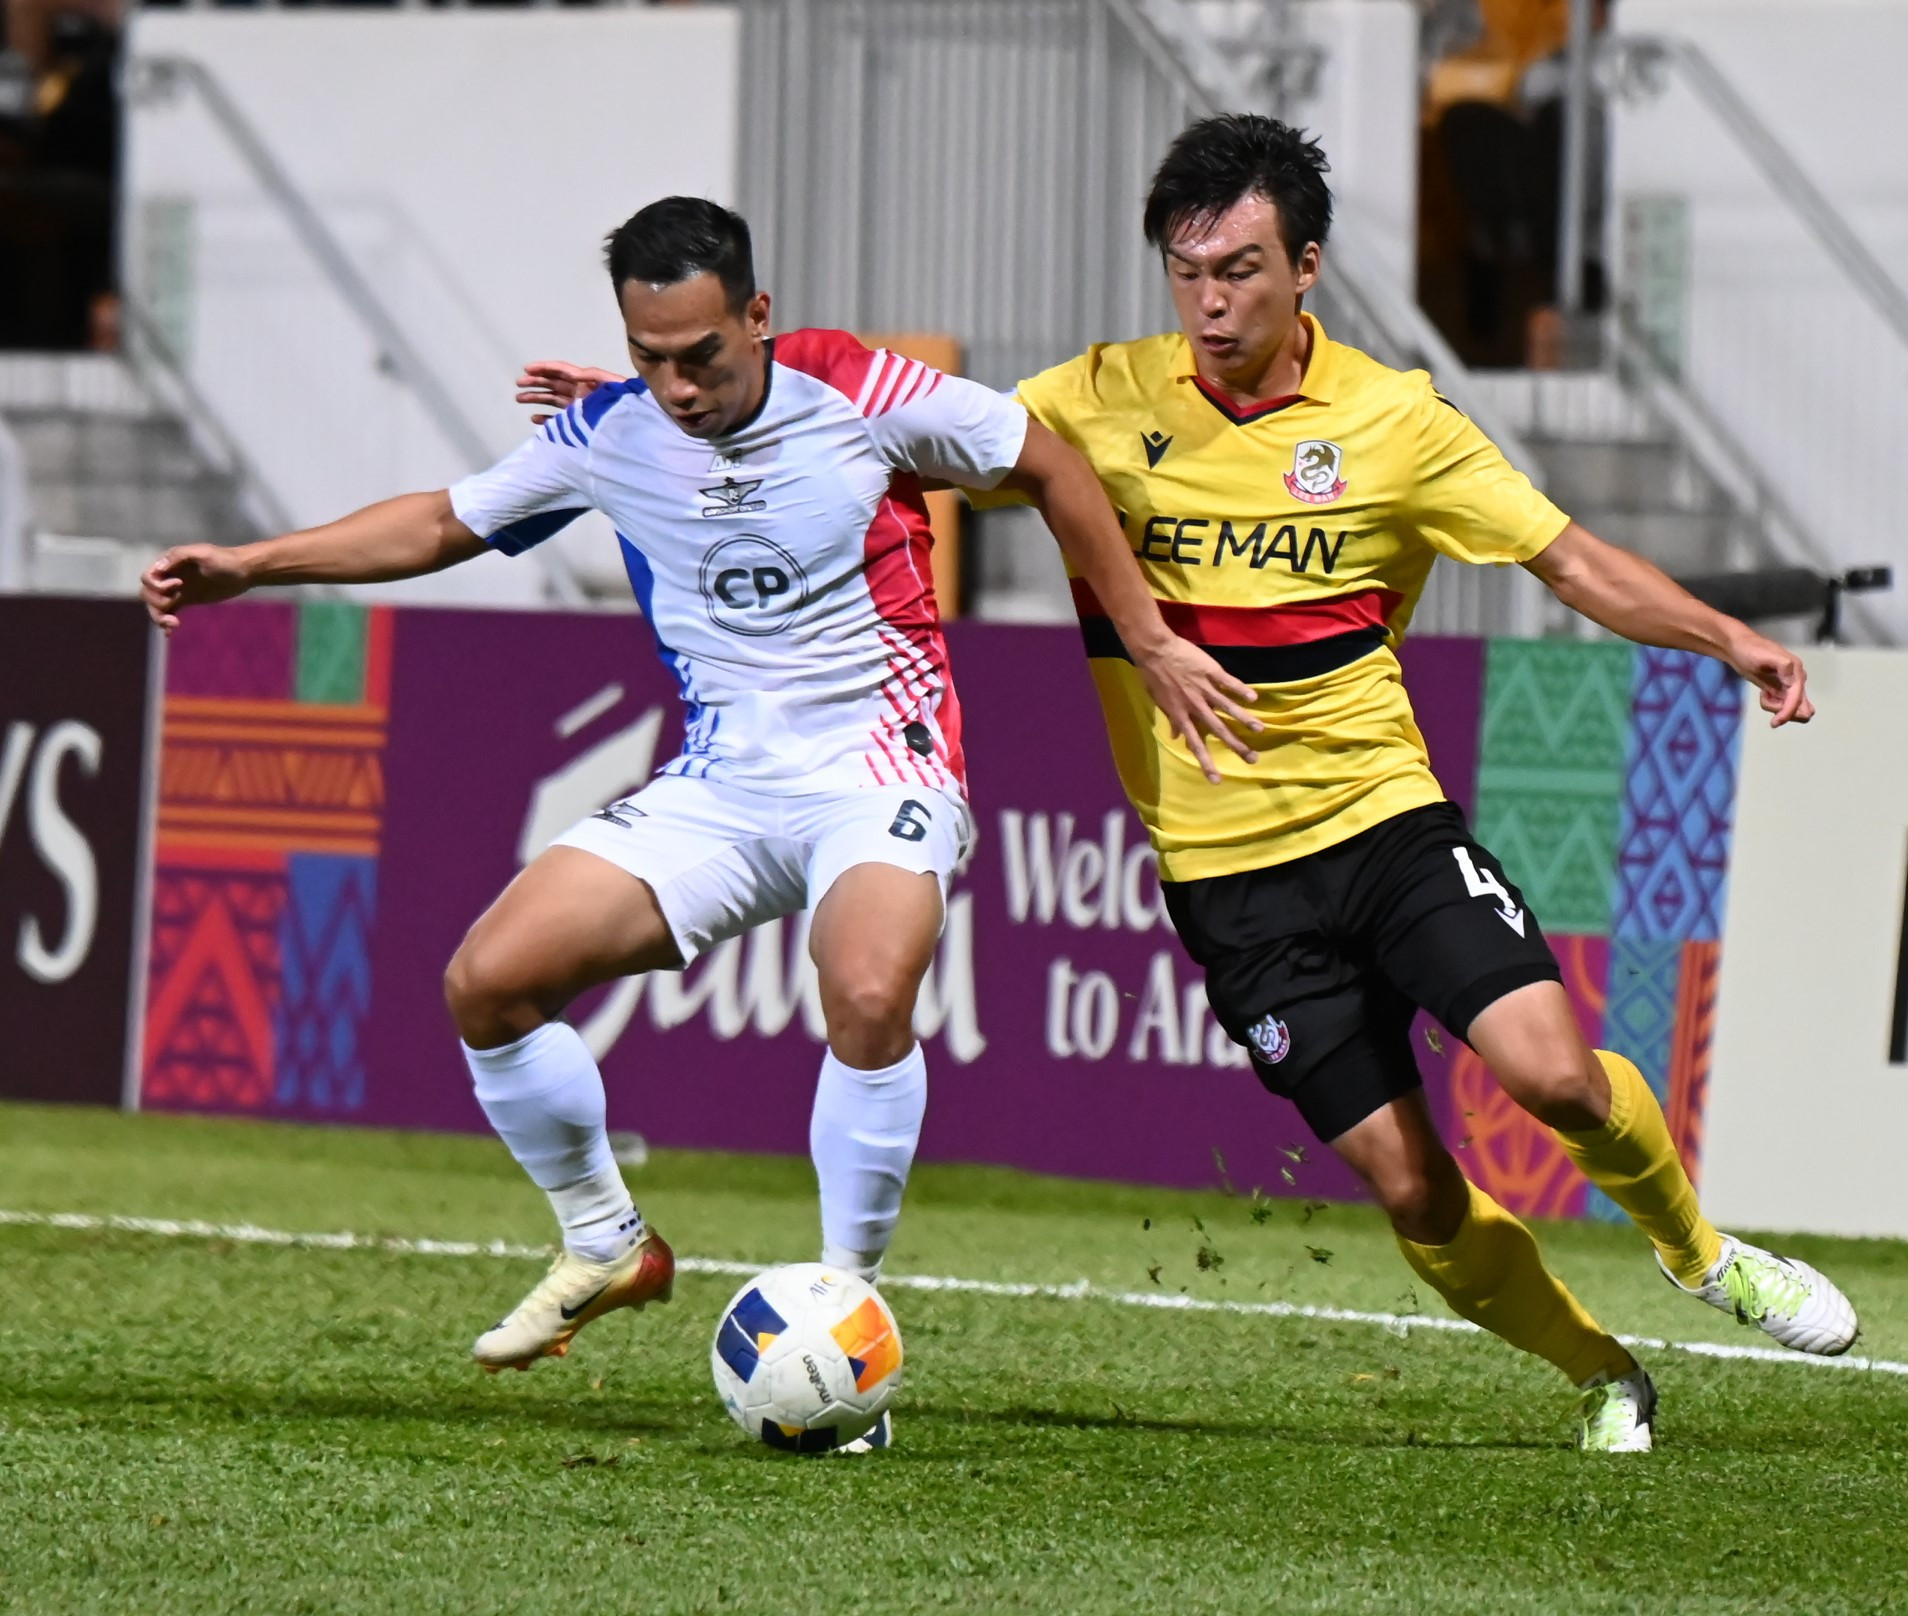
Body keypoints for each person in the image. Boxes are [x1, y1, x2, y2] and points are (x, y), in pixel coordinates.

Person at [515, 124, 1858, 1454]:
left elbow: (1570, 561)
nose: (1210, 304)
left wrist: (1725, 639)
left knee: (1553, 1076)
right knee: (1409, 1186)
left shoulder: (1396, 422)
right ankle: (1603, 1372)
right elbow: (868, 431)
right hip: (1229, 884)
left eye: (1241, 271)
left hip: (1384, 824)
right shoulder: (1097, 397)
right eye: (1187, 272)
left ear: (1307, 267)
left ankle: (1703, 1255)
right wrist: (666, 417)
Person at [139, 197, 1256, 1450]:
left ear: (757, 316)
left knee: (867, 988)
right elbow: (444, 520)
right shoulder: (615, 432)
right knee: (487, 981)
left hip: (880, 765)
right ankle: (606, 1240)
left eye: (702, 357)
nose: (676, 387)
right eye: (650, 357)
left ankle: (846, 1309)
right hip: (721, 786)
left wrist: (1148, 636)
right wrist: (252, 564)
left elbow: (1048, 462)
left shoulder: (858, 389)